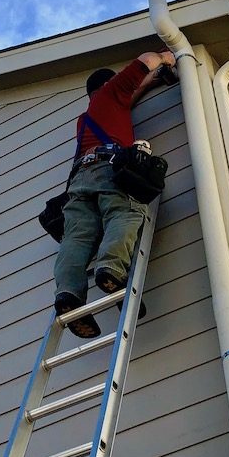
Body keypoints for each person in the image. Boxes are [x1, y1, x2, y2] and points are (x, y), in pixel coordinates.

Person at [54, 49, 177, 338]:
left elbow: (132, 94)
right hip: (107, 170)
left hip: (79, 181)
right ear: (110, 83)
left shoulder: (89, 115)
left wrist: (155, 82)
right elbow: (145, 60)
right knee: (125, 211)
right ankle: (111, 269)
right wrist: (166, 56)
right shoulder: (114, 91)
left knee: (78, 237)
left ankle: (68, 293)